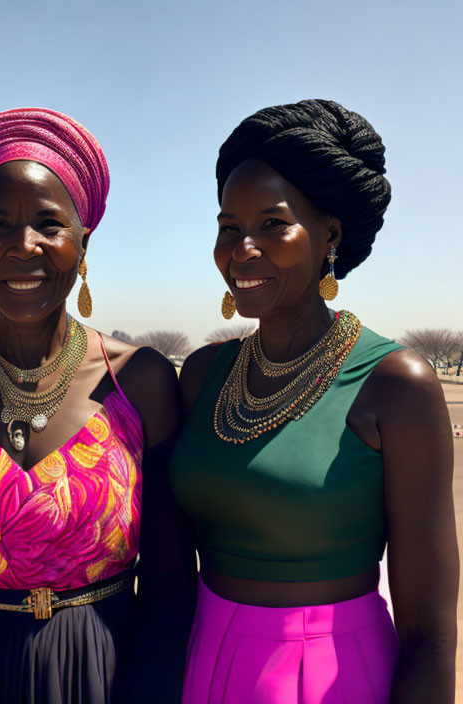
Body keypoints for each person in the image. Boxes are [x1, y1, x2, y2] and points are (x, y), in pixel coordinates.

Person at [0, 108, 194, 703]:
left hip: (99, 673)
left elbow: (170, 583)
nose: (23, 248)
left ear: (83, 241)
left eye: (49, 224)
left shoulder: (141, 380)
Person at [171, 99, 458, 703]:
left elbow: (430, 635)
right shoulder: (201, 376)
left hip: (328, 677)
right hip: (201, 664)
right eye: (228, 227)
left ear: (330, 235)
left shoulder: (395, 384)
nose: (242, 247)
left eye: (273, 224)